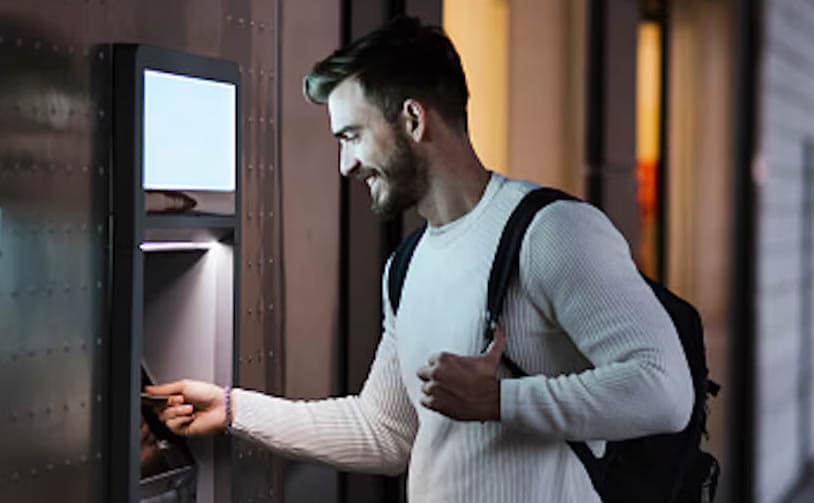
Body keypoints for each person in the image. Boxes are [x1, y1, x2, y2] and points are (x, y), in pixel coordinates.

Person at [148, 15, 692, 502]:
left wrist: (502, 400)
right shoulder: (407, 267)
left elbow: (664, 389)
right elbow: (386, 432)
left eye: (352, 136)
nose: (346, 165)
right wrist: (236, 409)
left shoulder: (551, 232)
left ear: (413, 119)